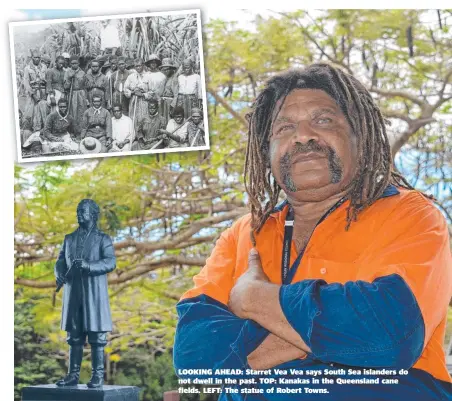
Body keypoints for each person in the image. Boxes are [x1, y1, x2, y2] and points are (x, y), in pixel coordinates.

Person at [173, 63, 452, 400]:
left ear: (359, 138)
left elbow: (391, 336)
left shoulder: (409, 215)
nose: (303, 136)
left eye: (323, 120)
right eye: (285, 127)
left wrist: (254, 299)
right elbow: (193, 358)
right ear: (267, 153)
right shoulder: (242, 235)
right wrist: (333, 337)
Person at [54, 199, 116, 388]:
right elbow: (60, 261)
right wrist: (59, 273)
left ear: (94, 214)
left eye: (83, 211)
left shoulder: (103, 239)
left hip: (94, 294)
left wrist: (89, 266)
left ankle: (97, 375)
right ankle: (73, 375)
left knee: (97, 336)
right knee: (74, 336)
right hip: (74, 293)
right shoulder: (69, 238)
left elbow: (110, 262)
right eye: (78, 211)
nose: (79, 214)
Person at [123, 58, 154, 129]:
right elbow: (125, 89)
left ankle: (143, 136)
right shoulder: (131, 77)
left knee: (144, 118)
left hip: (144, 101)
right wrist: (132, 92)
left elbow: (152, 92)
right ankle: (134, 135)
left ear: (143, 65)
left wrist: (143, 94)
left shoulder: (148, 76)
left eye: (140, 65)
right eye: (136, 66)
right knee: (133, 118)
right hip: (134, 101)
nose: (138, 68)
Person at [22, 50, 48, 132]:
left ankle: (44, 128)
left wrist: (47, 92)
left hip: (43, 91)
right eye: (35, 57)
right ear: (32, 57)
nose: (37, 59)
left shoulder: (44, 67)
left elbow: (47, 80)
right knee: (32, 110)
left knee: (43, 109)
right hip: (33, 92)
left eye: (39, 57)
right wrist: (32, 94)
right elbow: (26, 83)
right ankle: (34, 129)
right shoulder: (27, 68)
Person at [64, 55, 87, 139]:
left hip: (81, 94)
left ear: (79, 63)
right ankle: (72, 131)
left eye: (76, 63)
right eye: (72, 63)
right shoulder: (67, 72)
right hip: (72, 94)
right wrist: (70, 78)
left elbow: (85, 85)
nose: (74, 65)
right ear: (70, 64)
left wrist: (86, 97)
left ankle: (80, 131)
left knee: (81, 112)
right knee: (72, 113)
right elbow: (66, 86)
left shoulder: (83, 72)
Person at [159, 58, 179, 125]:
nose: (166, 71)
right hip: (164, 102)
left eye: (167, 69)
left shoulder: (174, 79)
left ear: (171, 69)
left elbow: (176, 95)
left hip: (169, 103)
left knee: (169, 119)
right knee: (163, 119)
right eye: (164, 69)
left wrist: (172, 106)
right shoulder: (165, 78)